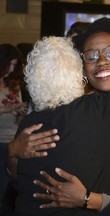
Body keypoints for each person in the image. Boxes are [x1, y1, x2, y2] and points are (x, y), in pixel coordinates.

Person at [5, 17, 110, 211]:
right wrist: (12, 156)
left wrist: (90, 199)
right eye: (91, 56)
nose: (102, 61)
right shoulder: (65, 113)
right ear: (82, 68)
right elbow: (27, 186)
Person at [0, 44, 27, 207]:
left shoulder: (14, 85)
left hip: (11, 139)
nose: (11, 69)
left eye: (14, 65)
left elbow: (17, 117)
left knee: (5, 184)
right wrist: (10, 108)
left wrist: (21, 113)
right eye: (9, 64)